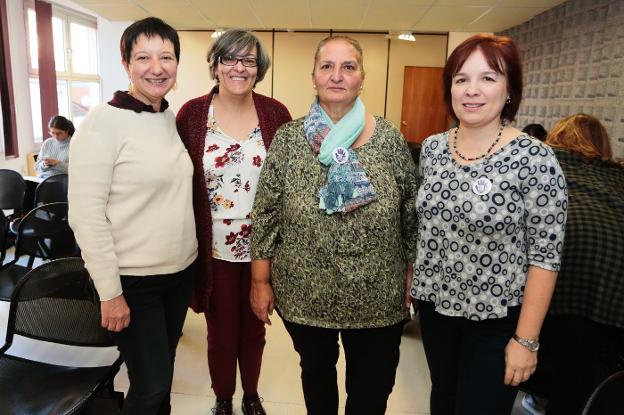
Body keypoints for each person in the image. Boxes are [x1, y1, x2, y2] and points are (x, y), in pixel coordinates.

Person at [250, 35, 418, 415]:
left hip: (378, 294)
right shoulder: (290, 139)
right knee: (317, 377)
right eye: (327, 66)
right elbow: (266, 212)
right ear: (314, 77)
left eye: (348, 67)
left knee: (371, 390)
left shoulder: (389, 138)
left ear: (362, 77)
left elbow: (412, 210)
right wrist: (259, 281)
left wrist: (412, 269)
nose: (337, 76)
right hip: (306, 293)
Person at [409, 33, 568, 415]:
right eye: (461, 79)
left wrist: (526, 340)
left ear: (509, 88)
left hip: (497, 320)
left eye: (488, 78)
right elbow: (423, 229)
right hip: (435, 311)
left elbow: (545, 257)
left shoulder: (535, 158)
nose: (472, 90)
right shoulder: (432, 149)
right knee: (442, 401)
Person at [68, 17, 198, 414]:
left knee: (162, 376)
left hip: (178, 274)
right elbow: (85, 216)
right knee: (150, 385)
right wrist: (110, 292)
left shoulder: (166, 118)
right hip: (134, 281)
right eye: (143, 57)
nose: (156, 68)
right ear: (126, 63)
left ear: (177, 64)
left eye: (166, 57)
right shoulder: (101, 124)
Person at [176, 29, 291, 415]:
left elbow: (287, 184)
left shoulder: (276, 114)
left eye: (249, 61)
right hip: (213, 248)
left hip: (264, 249)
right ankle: (223, 398)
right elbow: (179, 181)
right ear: (215, 64)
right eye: (230, 59)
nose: (239, 68)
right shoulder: (192, 114)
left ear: (259, 69)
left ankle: (252, 395)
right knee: (220, 333)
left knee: (255, 329)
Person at [524, 114, 624, 415]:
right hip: (610, 298)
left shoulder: (543, 164)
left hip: (551, 290)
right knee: (579, 374)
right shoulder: (617, 178)